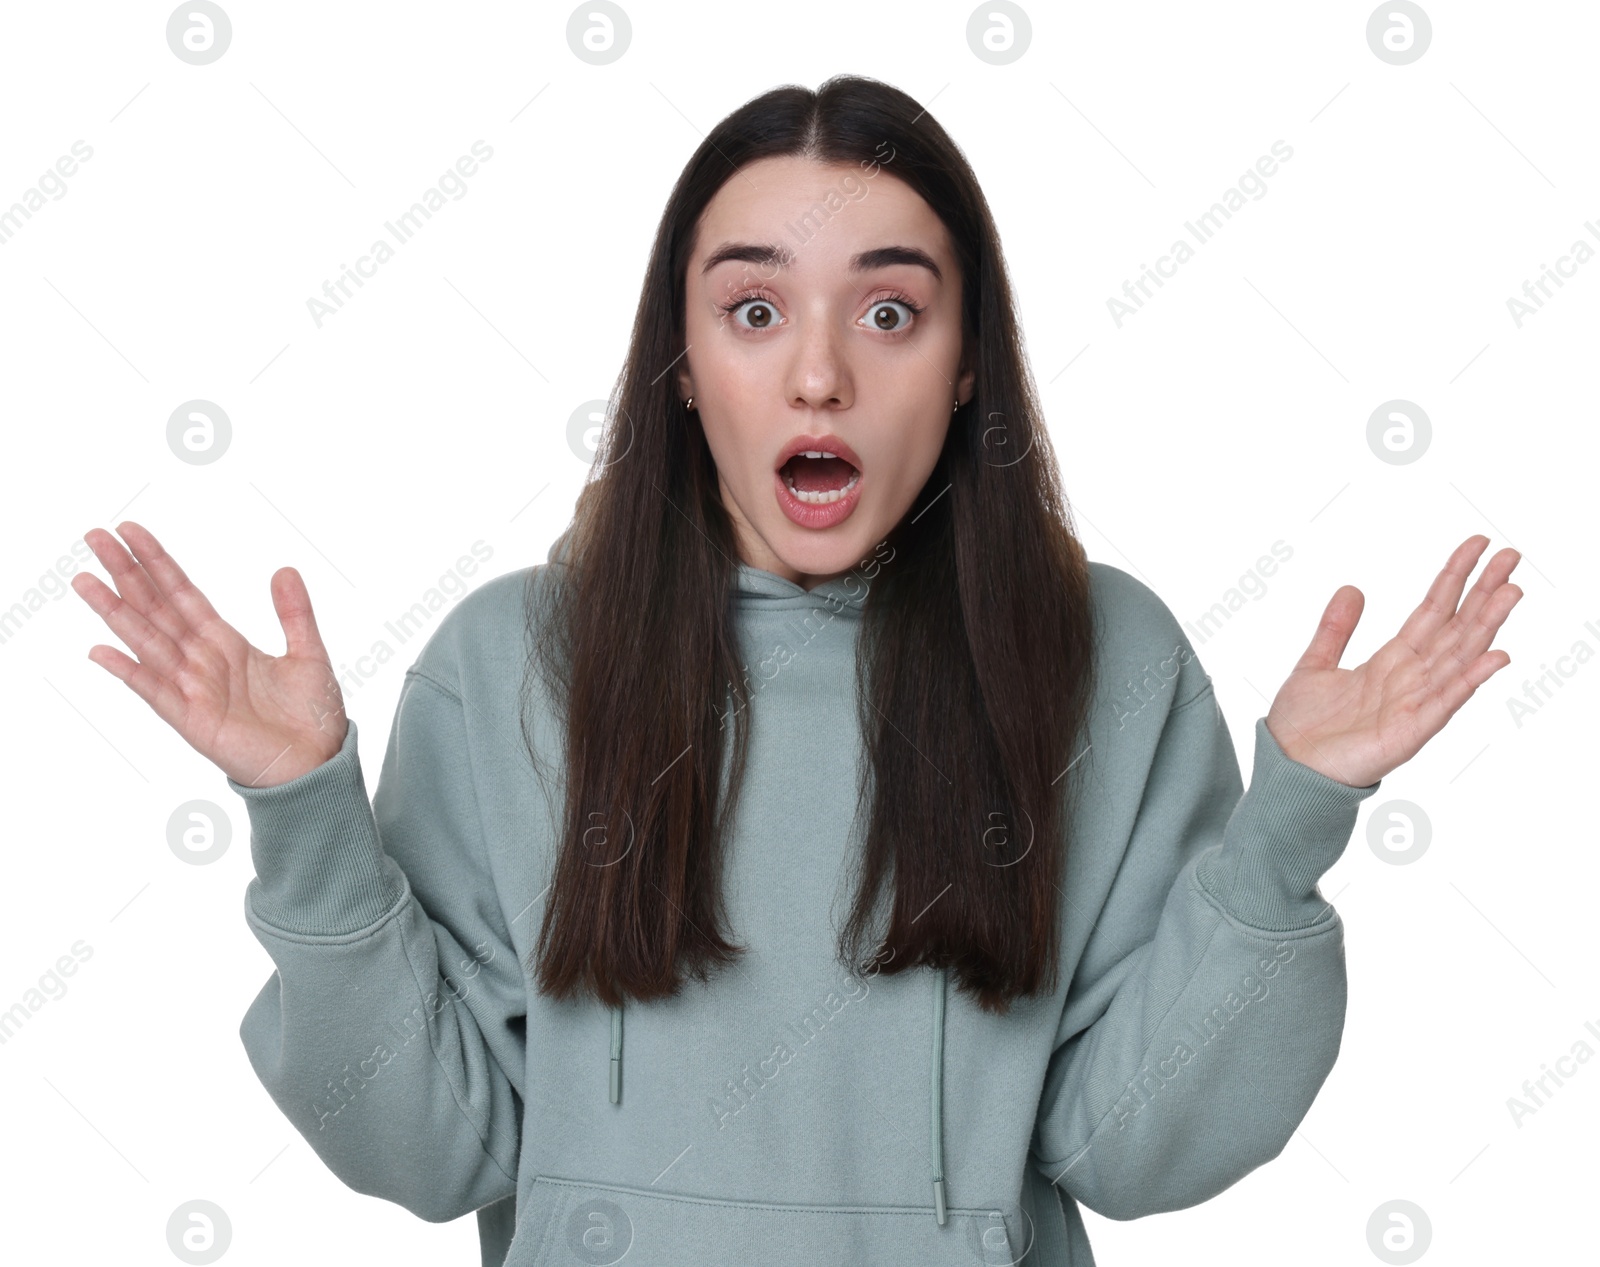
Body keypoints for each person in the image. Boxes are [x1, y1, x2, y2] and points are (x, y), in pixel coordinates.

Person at [72, 75, 1521, 1267]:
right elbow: (432, 1149)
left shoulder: (1105, 661)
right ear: (686, 363)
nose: (819, 375)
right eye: (754, 312)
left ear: (966, 367)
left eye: (890, 312)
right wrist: (302, 817)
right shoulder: (512, 661)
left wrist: (1290, 828)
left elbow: (1131, 1154)